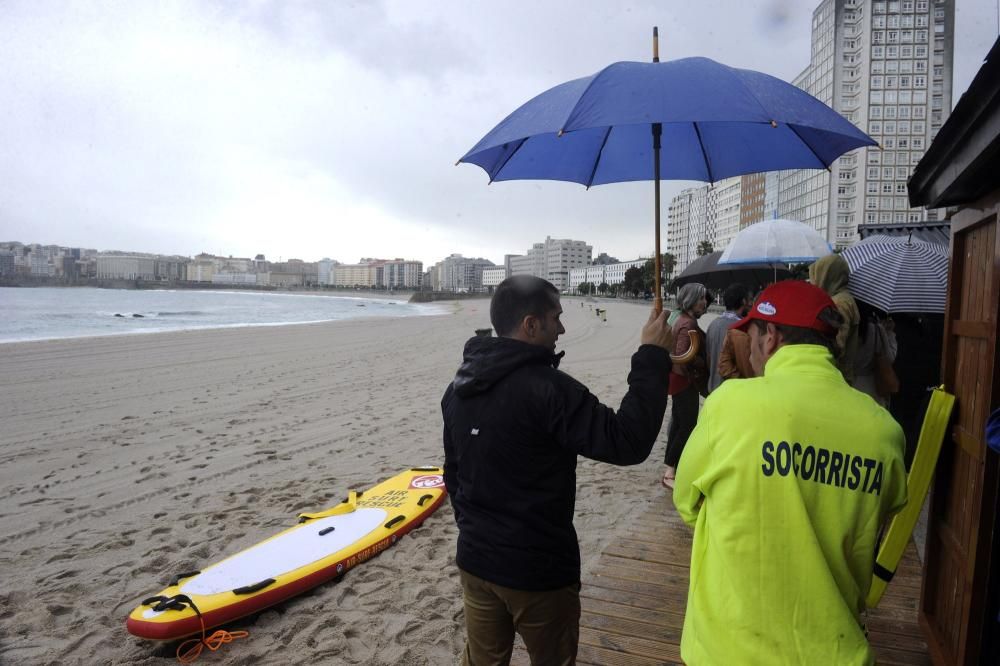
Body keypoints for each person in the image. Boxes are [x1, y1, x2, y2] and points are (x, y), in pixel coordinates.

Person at [442, 275, 674, 666]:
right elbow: (626, 442)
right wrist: (651, 355)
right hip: (537, 571)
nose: (562, 329)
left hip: (477, 560)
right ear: (531, 325)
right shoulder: (550, 389)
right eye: (556, 318)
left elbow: (454, 474)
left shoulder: (460, 386)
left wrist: (473, 527)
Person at [673, 280, 907, 665]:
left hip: (727, 648)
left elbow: (687, 502)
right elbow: (887, 508)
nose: (748, 346)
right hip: (834, 651)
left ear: (771, 337)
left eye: (750, 335)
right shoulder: (884, 431)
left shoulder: (729, 405)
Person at [662, 282, 708, 489]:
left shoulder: (677, 318)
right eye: (701, 299)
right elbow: (681, 356)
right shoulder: (688, 324)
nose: (704, 303)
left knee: (680, 423)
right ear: (690, 300)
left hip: (676, 379)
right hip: (684, 380)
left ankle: (670, 467)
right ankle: (671, 471)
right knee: (687, 425)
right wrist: (701, 362)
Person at [809, 254, 861, 383]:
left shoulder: (839, 303)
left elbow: (836, 345)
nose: (813, 281)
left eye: (817, 274)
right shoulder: (841, 298)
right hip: (838, 376)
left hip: (835, 378)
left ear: (826, 275)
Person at [705, 283, 751, 393]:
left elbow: (709, 358)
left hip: (713, 388)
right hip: (733, 391)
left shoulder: (713, 324)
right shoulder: (743, 329)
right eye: (750, 300)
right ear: (744, 301)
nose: (751, 304)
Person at [852, 303, 898, 407]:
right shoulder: (876, 329)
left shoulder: (847, 326)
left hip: (848, 382)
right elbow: (890, 358)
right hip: (870, 386)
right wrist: (890, 333)